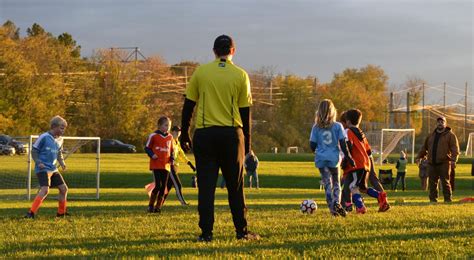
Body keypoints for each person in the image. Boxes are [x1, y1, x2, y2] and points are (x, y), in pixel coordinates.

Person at [180, 35, 259, 242]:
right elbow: (245, 113)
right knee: (236, 186)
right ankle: (241, 231)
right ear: (233, 51)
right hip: (232, 135)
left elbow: (189, 105)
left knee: (206, 187)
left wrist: (184, 134)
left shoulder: (201, 72)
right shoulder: (240, 75)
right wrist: (247, 145)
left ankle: (206, 233)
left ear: (214, 51)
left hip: (205, 134)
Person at [310, 100, 354, 217]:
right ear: (333, 111)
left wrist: (318, 150)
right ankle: (336, 203)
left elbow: (312, 145)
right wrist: (349, 157)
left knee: (327, 184)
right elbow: (343, 144)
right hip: (334, 158)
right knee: (336, 183)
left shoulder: (316, 127)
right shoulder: (337, 126)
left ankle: (332, 209)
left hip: (321, 159)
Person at [342, 109, 390, 214]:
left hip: (356, 164)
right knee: (363, 188)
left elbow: (348, 145)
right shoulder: (361, 133)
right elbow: (368, 151)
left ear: (348, 121)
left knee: (353, 187)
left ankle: (360, 207)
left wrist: (346, 159)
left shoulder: (348, 132)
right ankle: (380, 195)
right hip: (366, 164)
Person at [25, 115, 69, 218]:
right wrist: (38, 162)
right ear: (54, 126)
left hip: (53, 169)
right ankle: (31, 213)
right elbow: (34, 151)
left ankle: (61, 213)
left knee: (64, 189)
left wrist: (62, 163)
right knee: (45, 190)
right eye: (61, 128)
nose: (63, 130)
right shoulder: (44, 137)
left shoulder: (60, 139)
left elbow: (59, 152)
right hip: (43, 168)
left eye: (64, 128)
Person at [417, 116, 459, 203]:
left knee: (445, 183)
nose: (440, 123)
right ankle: (433, 200)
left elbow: (455, 149)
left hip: (444, 163)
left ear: (445, 123)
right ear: (436, 124)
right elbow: (424, 148)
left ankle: (447, 199)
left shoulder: (451, 135)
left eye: (442, 122)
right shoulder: (431, 135)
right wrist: (419, 157)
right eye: (438, 122)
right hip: (431, 163)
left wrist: (454, 160)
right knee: (432, 183)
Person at [144, 116, 175, 213]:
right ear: (159, 126)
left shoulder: (170, 137)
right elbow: (147, 148)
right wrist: (152, 155)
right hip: (156, 164)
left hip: (166, 165)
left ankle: (158, 207)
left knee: (163, 187)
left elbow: (172, 150)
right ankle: (150, 205)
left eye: (169, 125)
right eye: (166, 125)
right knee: (158, 185)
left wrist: (172, 158)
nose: (168, 127)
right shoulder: (153, 135)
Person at [163, 126, 196, 206]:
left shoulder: (177, 142)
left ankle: (159, 203)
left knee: (167, 187)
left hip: (175, 167)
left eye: (179, 131)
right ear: (172, 131)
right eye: (176, 131)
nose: (178, 133)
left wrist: (190, 164)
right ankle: (183, 203)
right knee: (178, 185)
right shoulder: (169, 140)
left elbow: (181, 154)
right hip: (170, 166)